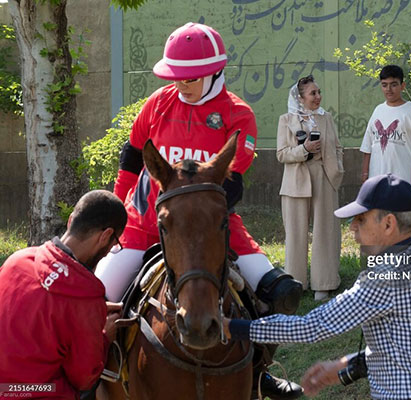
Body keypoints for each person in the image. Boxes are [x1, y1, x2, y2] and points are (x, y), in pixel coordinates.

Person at [94, 22, 302, 398]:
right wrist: (118, 211)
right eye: (176, 76)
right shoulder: (158, 103)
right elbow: (130, 156)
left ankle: (261, 371)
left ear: (214, 72)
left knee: (273, 293)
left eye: (189, 78)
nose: (181, 84)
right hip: (144, 225)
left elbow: (233, 182)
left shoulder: (237, 113)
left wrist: (202, 223)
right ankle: (91, 375)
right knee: (95, 296)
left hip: (211, 226)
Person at [225, 174, 411, 400]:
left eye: (361, 219)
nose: (352, 227)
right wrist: (343, 367)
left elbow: (313, 326)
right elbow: (410, 349)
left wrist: (235, 327)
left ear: (388, 224)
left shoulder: (385, 279)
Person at [0, 190, 127, 399]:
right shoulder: (86, 297)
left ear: (70, 221)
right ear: (106, 236)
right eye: (114, 244)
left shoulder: (18, 260)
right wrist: (103, 335)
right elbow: (85, 377)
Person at [276, 75, 344, 301]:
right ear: (300, 97)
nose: (318, 96)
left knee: (325, 230)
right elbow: (282, 154)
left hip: (324, 177)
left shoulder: (326, 118)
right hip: (296, 180)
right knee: (295, 232)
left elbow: (337, 146)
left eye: (319, 92)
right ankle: (295, 283)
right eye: (312, 93)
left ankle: (323, 283)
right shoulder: (286, 120)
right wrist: (304, 149)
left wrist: (336, 169)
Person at [360, 65, 411, 242]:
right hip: (379, 182)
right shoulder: (378, 110)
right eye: (384, 85)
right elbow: (368, 146)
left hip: (404, 181)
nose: (389, 89)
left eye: (393, 84)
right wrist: (365, 173)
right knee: (381, 228)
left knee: (406, 228)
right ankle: (384, 267)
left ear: (403, 85)